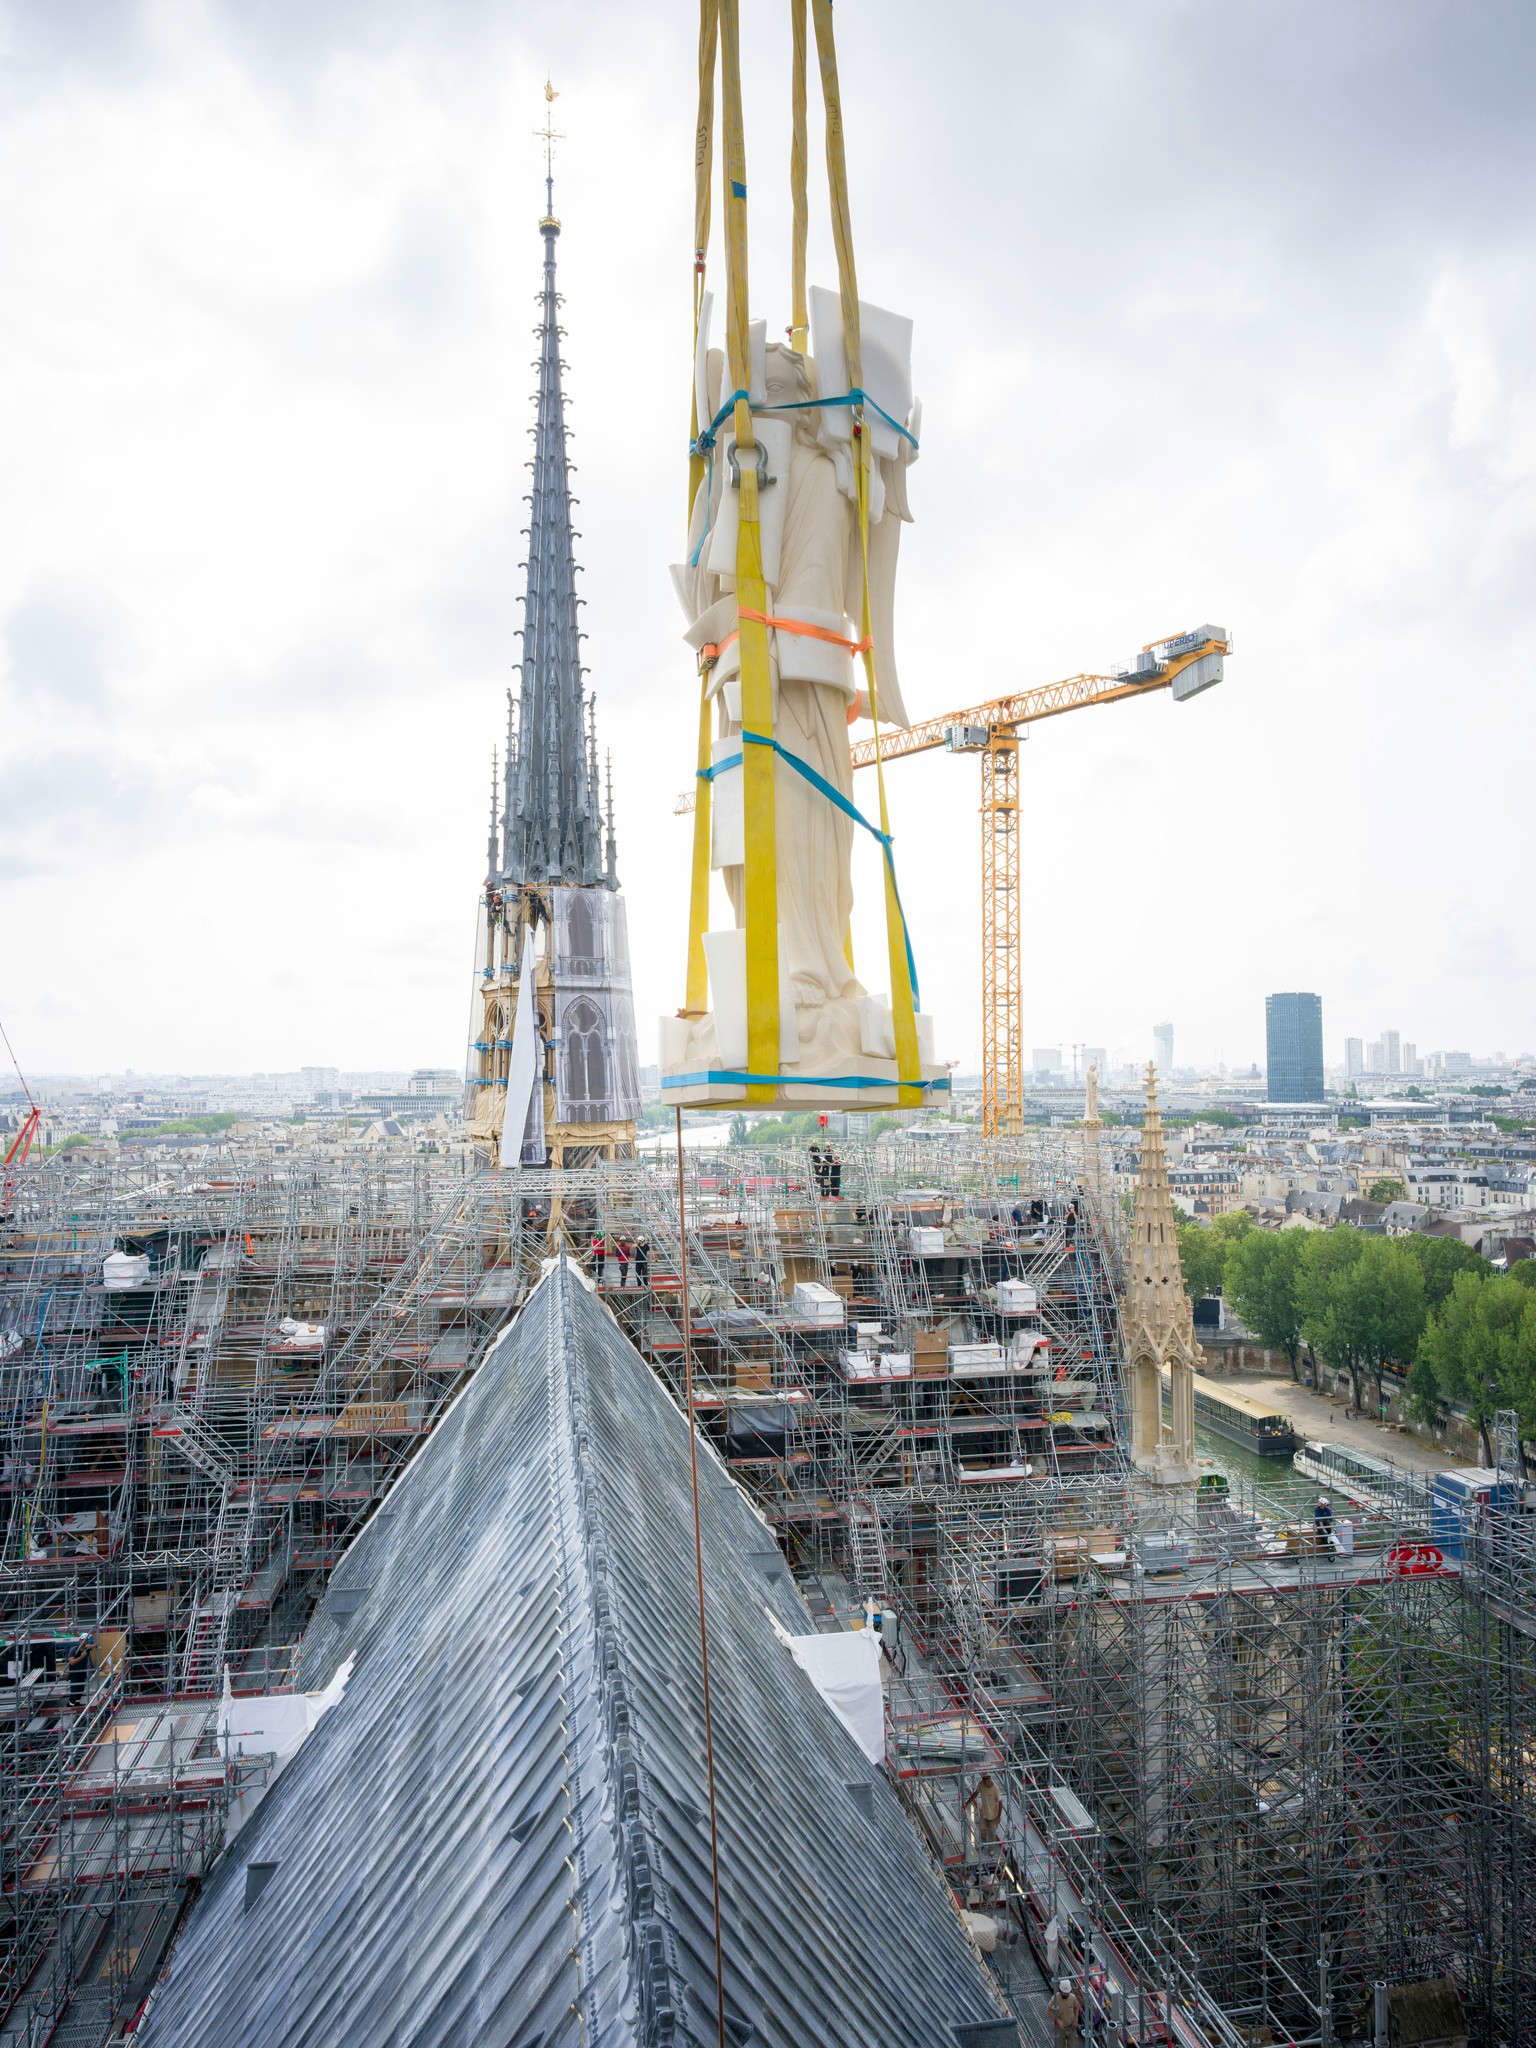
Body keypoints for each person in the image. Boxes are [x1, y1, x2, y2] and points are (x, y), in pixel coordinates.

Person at [963, 1771, 1004, 1846]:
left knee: (992, 1833)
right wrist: (967, 1803)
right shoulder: (981, 1784)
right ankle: (983, 1843)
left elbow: (1000, 1803)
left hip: (993, 1815)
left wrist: (998, 1817)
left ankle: (991, 1849)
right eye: (984, 1780)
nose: (985, 1782)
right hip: (984, 1813)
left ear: (990, 1779)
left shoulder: (995, 1788)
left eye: (987, 1780)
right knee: (982, 1830)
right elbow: (975, 1794)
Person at [1047, 1979, 1083, 2048]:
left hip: (1071, 2026)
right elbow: (1048, 2010)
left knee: (1073, 2046)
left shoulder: (1072, 1997)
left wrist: (1076, 2019)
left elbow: (1077, 2007)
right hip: (1060, 2028)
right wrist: (1058, 2020)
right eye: (1064, 1993)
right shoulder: (1055, 1998)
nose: (1066, 1994)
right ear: (1060, 1991)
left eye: (1068, 1993)